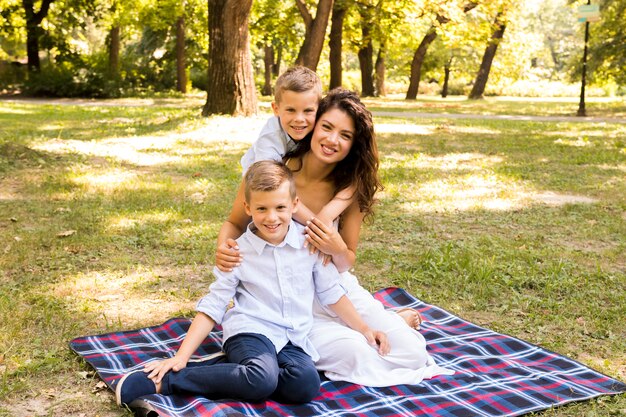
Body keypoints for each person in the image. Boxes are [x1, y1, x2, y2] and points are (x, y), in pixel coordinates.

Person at [217, 88, 453, 387]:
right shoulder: (272, 172)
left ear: (354, 144)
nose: (332, 140)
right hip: (285, 296)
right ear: (314, 125)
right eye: (326, 127)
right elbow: (234, 222)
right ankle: (363, 329)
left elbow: (346, 260)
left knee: (412, 352)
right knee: (356, 353)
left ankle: (387, 322)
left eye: (345, 135)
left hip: (335, 287)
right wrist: (224, 247)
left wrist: (337, 246)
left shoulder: (347, 187)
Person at [115, 161, 389, 406]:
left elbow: (331, 293)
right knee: (261, 380)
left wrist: (365, 329)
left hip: (293, 336)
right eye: (262, 208)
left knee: (305, 386)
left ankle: (232, 370)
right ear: (248, 208)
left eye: (280, 207)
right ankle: (169, 381)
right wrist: (181, 356)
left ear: (294, 205)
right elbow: (215, 304)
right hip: (251, 330)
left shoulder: (309, 245)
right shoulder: (237, 252)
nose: (272, 217)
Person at [238, 66, 355, 244]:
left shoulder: (317, 129)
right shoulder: (271, 138)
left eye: (308, 111)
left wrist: (329, 212)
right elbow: (269, 184)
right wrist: (317, 226)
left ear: (320, 109)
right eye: (291, 110)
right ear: (276, 109)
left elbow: (359, 180)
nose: (299, 119)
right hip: (260, 179)